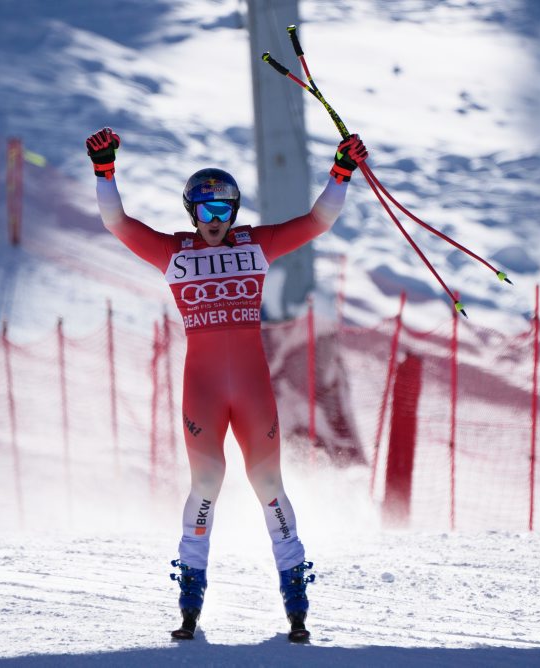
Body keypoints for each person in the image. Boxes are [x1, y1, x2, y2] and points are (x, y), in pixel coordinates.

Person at [86, 127, 367, 642]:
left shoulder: (255, 244)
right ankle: (190, 596)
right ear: (192, 214)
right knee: (208, 483)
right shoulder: (174, 253)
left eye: (225, 212)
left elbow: (317, 221)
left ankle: (295, 595)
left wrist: (340, 173)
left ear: (234, 213)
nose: (216, 222)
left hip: (253, 389)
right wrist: (105, 172)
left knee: (267, 485)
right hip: (205, 389)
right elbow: (116, 222)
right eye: (206, 212)